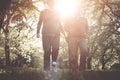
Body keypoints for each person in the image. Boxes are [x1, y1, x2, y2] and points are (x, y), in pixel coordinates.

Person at [37, 0, 62, 71]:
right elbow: (39, 22)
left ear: (54, 3)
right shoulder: (43, 12)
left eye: (52, 2)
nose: (51, 3)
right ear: (48, 3)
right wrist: (38, 32)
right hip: (46, 34)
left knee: (55, 50)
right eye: (50, 2)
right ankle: (46, 68)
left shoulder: (58, 12)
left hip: (56, 34)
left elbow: (60, 23)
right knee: (47, 51)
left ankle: (54, 66)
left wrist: (64, 33)